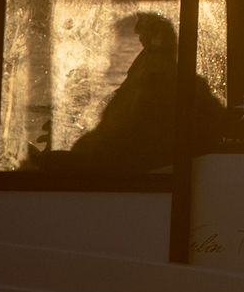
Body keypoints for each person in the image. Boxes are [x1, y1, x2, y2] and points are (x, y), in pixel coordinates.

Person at [68, 9, 225, 174]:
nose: (136, 29)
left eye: (143, 18)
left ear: (160, 31)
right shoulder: (152, 76)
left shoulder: (162, 85)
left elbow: (121, 143)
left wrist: (79, 154)